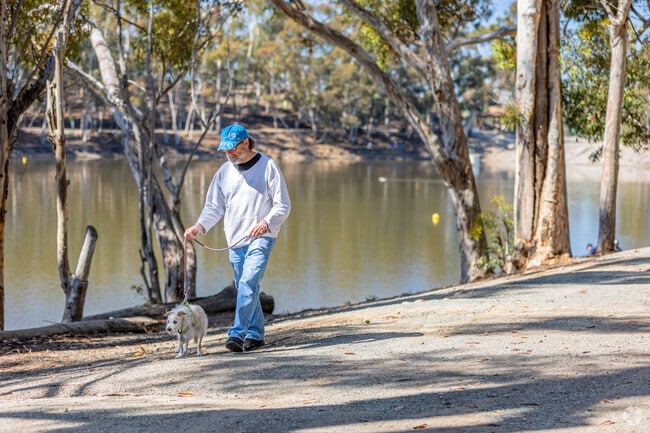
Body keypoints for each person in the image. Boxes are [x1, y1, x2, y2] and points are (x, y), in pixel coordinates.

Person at [184, 123, 291, 353]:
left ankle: (237, 333)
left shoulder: (267, 166)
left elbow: (283, 205)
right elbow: (214, 206)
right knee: (246, 287)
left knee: (247, 283)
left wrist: (265, 223)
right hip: (234, 240)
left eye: (233, 148)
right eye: (226, 150)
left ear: (245, 143)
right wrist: (199, 226)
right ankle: (256, 334)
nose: (229, 153)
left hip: (262, 237)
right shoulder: (224, 172)